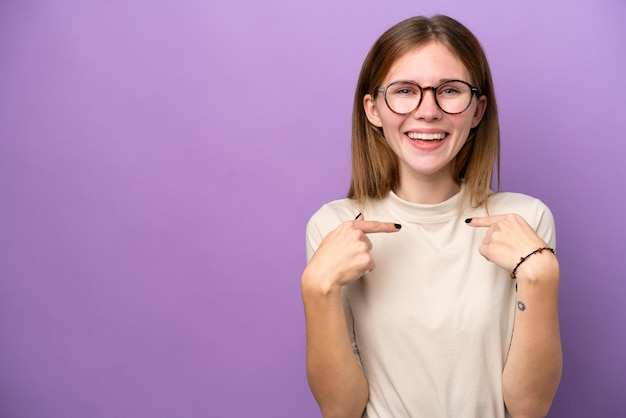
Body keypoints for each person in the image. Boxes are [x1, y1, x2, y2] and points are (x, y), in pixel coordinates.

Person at [301, 15, 562, 418]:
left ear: (477, 110)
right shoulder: (334, 225)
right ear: (373, 109)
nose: (428, 111)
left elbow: (529, 408)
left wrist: (540, 276)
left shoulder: (525, 219)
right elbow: (340, 410)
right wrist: (317, 288)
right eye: (405, 91)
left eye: (450, 91)